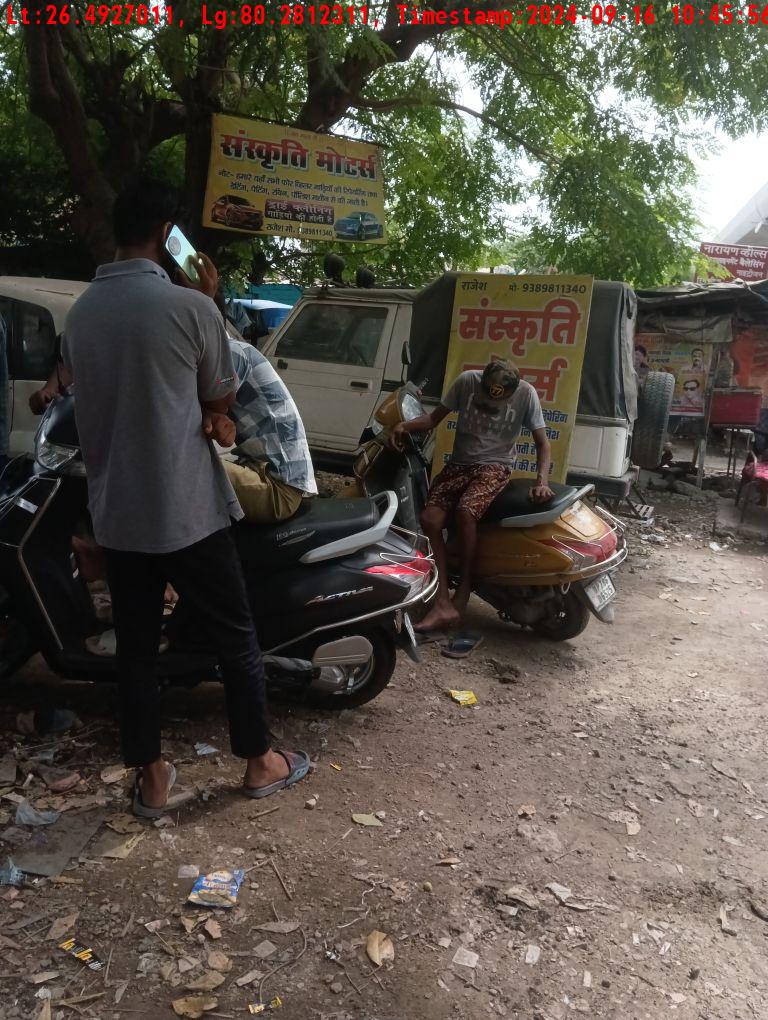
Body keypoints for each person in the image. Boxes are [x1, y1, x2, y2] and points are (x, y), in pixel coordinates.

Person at [60, 178, 308, 816]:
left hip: (119, 513)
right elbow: (218, 398)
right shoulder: (189, 308)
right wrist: (206, 300)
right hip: (188, 509)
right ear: (167, 234)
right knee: (235, 635)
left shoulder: (80, 315)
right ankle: (259, 762)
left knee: (137, 649)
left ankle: (152, 778)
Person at [392, 359, 554, 632]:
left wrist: (542, 481)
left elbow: (542, 443)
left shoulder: (526, 394)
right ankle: (442, 600)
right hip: (459, 465)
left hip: (495, 466)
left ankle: (464, 589)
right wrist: (404, 426)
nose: (491, 403)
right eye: (487, 395)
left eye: (499, 399)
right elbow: (432, 419)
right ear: (482, 383)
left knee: (466, 511)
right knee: (429, 519)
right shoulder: (467, 381)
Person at [221, 339, 317, 523]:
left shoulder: (229, 353)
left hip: (279, 489)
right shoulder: (232, 350)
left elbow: (193, 412)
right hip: (267, 474)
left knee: (188, 467)